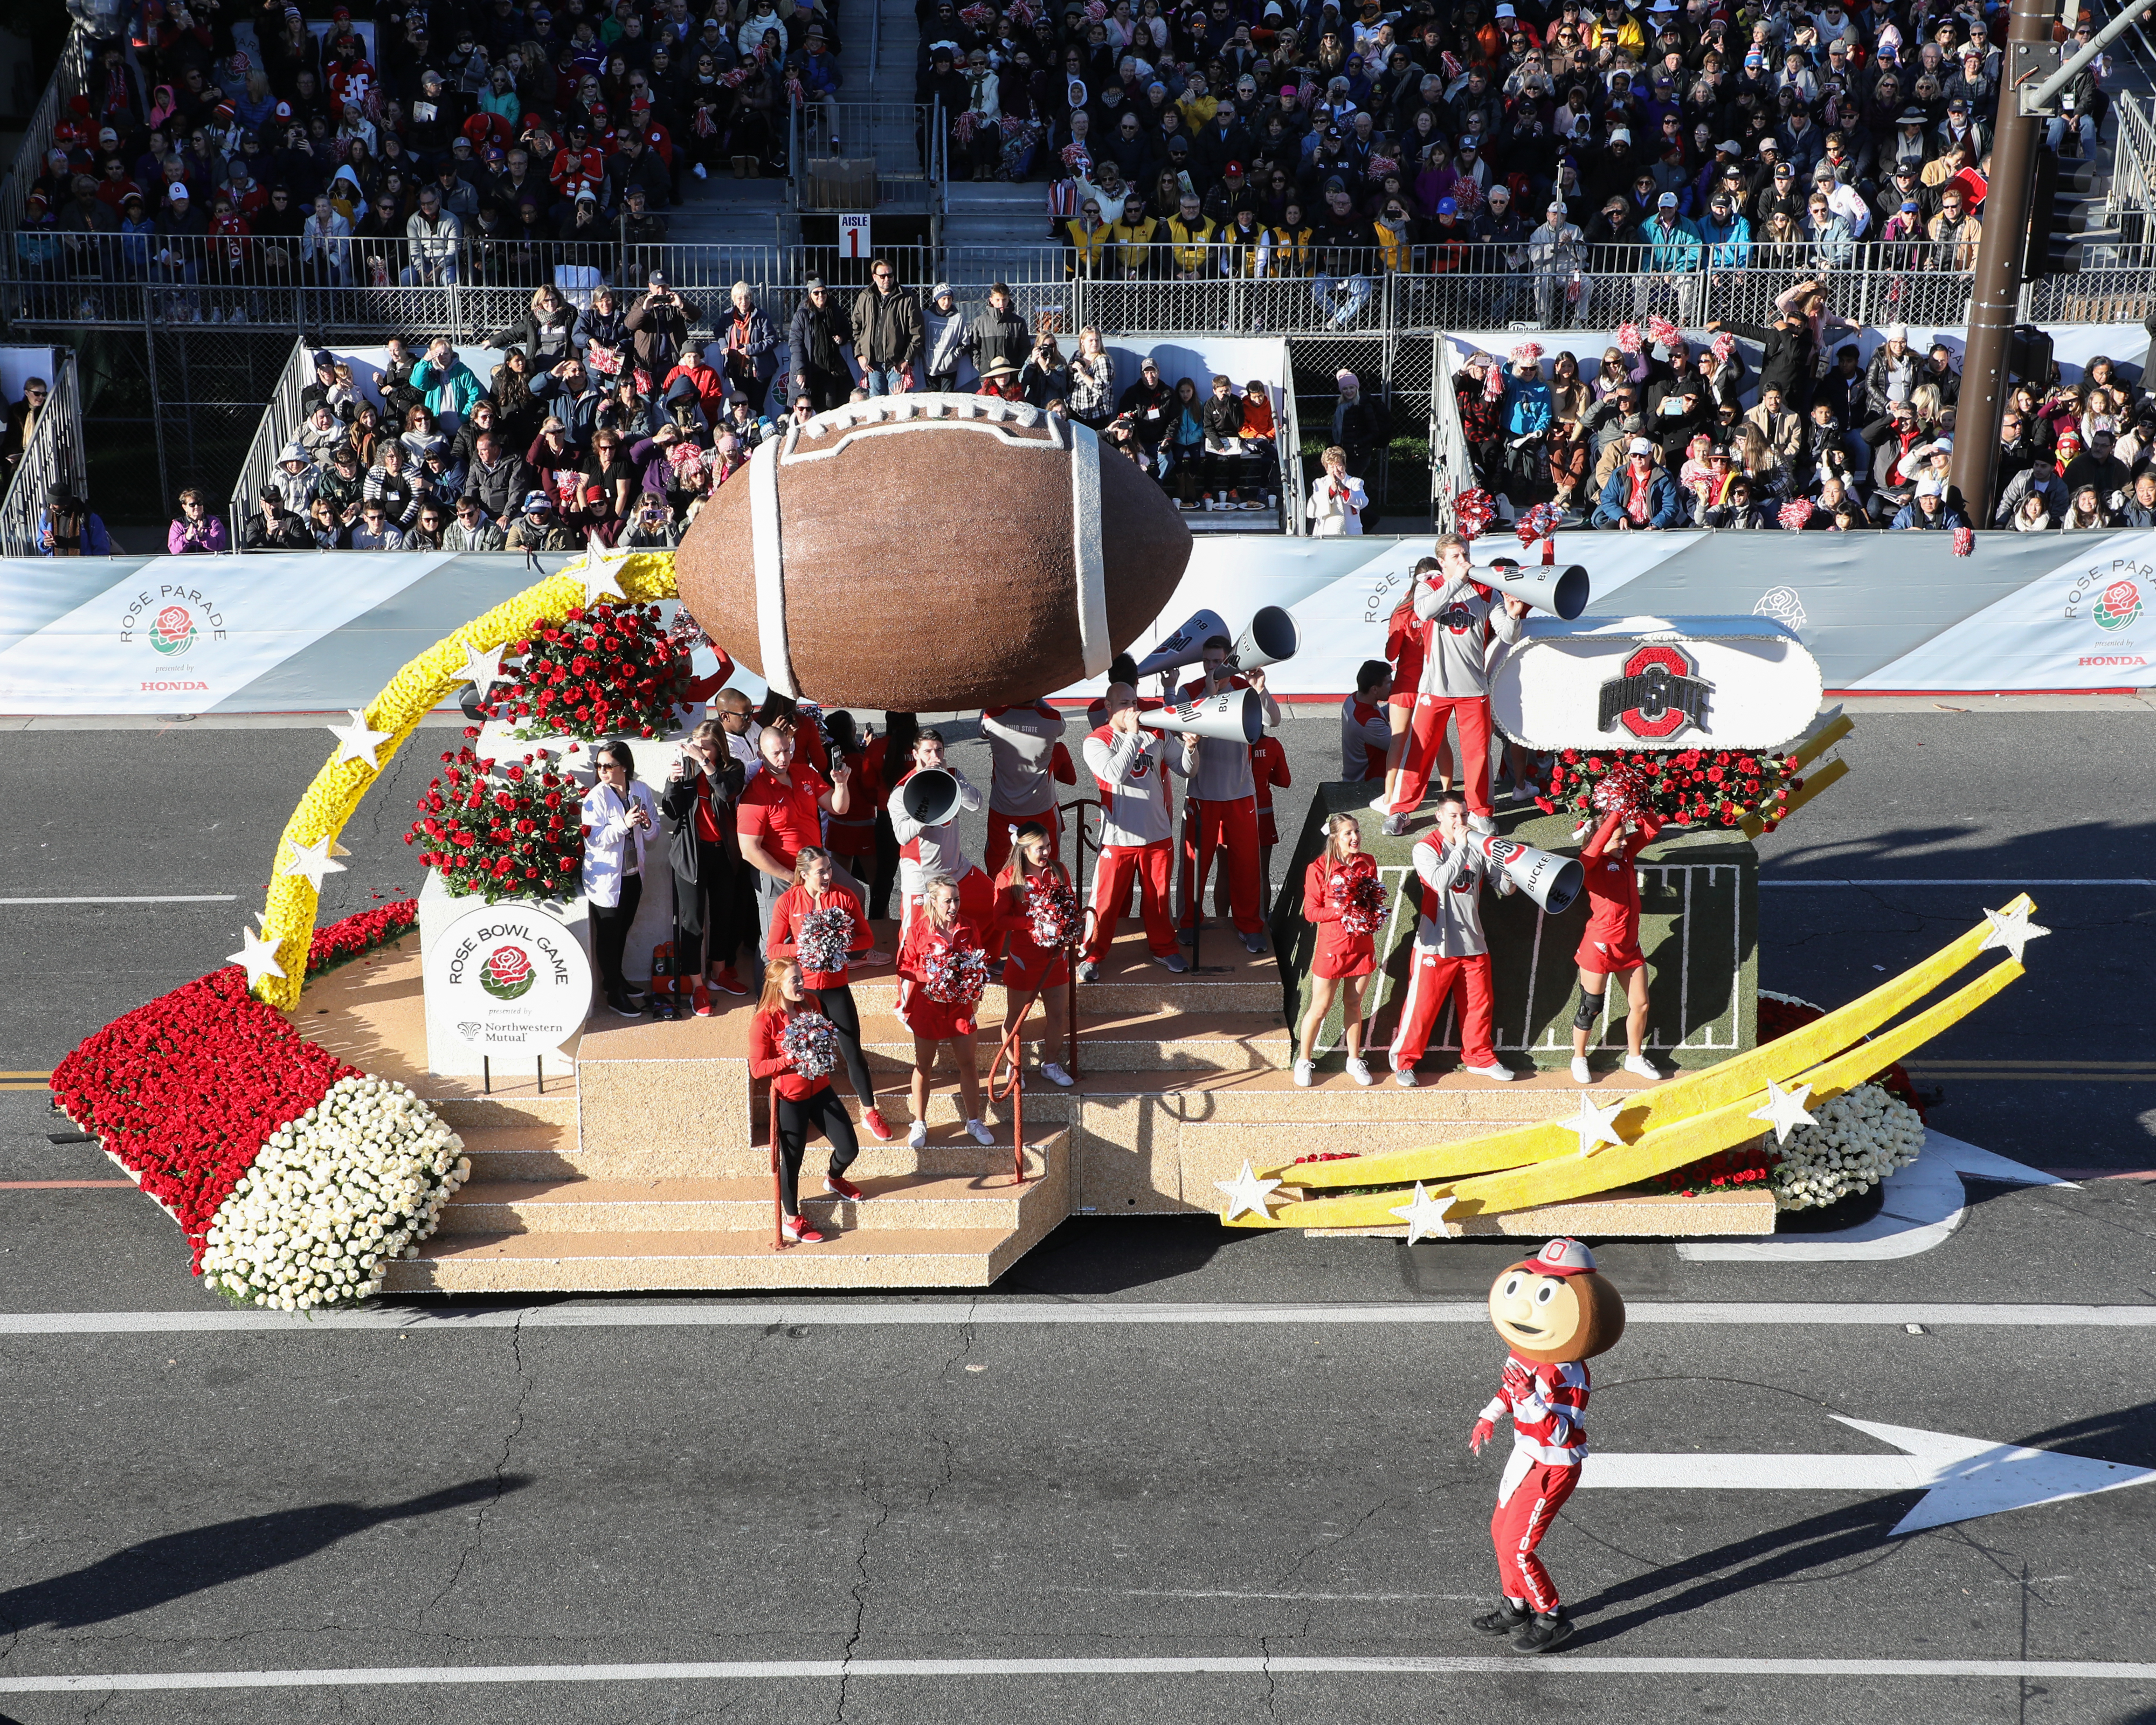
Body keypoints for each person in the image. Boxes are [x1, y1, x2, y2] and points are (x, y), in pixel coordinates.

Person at [1468, 1237, 1627, 1655]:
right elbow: (1510, 1390)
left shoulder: (1569, 1373)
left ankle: (1551, 1616)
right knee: (1500, 1532)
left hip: (1552, 1465)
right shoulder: (1528, 1349)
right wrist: (1490, 1416)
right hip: (1526, 1454)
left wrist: (1529, 1398)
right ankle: (1515, 1607)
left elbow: (1561, 1433)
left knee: (1520, 1547)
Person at [1377, 537, 1529, 833]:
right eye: (1456, 556)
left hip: (1474, 690)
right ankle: (1402, 810)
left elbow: (1508, 636)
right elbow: (1423, 612)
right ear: (1442, 562)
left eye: (1466, 554)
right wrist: (1456, 581)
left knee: (1478, 754)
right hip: (1435, 688)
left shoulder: (1486, 591)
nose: (1463, 559)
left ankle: (1480, 812)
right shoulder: (1429, 587)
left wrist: (1513, 615)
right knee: (1419, 751)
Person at [766, 844, 895, 1142]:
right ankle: (805, 1113)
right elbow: (773, 949)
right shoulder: (788, 901)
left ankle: (870, 1112)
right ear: (805, 874)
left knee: (852, 1052)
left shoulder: (844, 896)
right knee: (804, 1055)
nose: (827, 876)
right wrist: (806, 946)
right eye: (821, 871)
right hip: (804, 991)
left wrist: (836, 942)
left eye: (829, 869)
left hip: (836, 987)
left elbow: (867, 938)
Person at [1391, 792, 1516, 1086]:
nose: (1460, 822)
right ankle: (1404, 1062)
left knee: (1479, 1006)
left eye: (1463, 815)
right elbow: (1440, 882)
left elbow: (1504, 889)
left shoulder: (1477, 848)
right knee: (1422, 1008)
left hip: (1474, 942)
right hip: (1436, 942)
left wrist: (1513, 867)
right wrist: (1461, 847)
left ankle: (1480, 1059)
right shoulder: (1425, 847)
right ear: (1439, 816)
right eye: (1453, 816)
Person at [1079, 672, 1188, 981]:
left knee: (1158, 898)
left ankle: (1164, 948)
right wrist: (1131, 735)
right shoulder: (1096, 740)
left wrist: (1192, 748)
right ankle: (1093, 952)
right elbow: (1114, 773)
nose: (1132, 708)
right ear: (1108, 707)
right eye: (1124, 703)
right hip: (1118, 837)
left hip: (1157, 833)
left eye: (1134, 702)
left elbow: (1185, 768)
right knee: (1106, 901)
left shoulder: (1156, 733)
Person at [748, 956, 865, 1246]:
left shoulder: (811, 1003)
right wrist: (789, 1058)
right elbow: (757, 1068)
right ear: (778, 987)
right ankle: (791, 1219)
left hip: (821, 1089)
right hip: (791, 1099)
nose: (801, 984)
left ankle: (834, 1178)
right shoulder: (764, 1020)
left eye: (801, 978)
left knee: (849, 1148)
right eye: (794, 980)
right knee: (792, 1162)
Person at [1177, 633, 1282, 955]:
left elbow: (1273, 720)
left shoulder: (1243, 689)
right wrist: (1209, 695)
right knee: (1194, 864)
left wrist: (1260, 689)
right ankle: (1189, 923)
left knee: (1247, 866)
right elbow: (1184, 733)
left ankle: (1250, 926)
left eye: (1218, 662)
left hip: (1240, 794)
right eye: (1207, 662)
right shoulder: (1189, 691)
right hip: (1201, 794)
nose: (1212, 668)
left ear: (1228, 662)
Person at [895, 874, 997, 1150]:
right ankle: (920, 1121)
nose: (953, 906)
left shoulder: (969, 926)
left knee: (968, 1064)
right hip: (928, 1007)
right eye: (947, 901)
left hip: (961, 1008)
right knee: (923, 1066)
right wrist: (928, 976)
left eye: (957, 899)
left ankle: (974, 1121)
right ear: (933, 902)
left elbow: (978, 961)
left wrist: (975, 983)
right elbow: (903, 966)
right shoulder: (918, 930)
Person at [736, 714, 855, 949]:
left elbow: (838, 807)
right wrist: (791, 877)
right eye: (776, 754)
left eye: (787, 751)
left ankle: (843, 958)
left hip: (814, 866)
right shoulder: (757, 793)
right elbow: (749, 851)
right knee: (779, 939)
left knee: (853, 895)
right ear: (761, 756)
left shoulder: (804, 774)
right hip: (780, 873)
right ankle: (772, 985)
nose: (783, 758)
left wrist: (841, 784)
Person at [1568, 806, 1663, 1084]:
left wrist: (1637, 804)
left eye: (1624, 837)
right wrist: (1613, 817)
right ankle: (1579, 1058)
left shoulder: (1626, 855)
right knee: (1591, 1007)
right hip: (1599, 948)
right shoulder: (1589, 862)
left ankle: (1634, 1058)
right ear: (1602, 838)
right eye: (1618, 838)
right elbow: (1594, 848)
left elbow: (1652, 829)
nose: (1624, 843)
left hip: (1628, 946)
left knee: (1641, 1004)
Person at [660, 718, 748, 1014]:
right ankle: (698, 986)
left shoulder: (733, 768)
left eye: (705, 747)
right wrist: (673, 783)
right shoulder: (685, 770)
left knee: (724, 916)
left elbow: (727, 794)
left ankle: (719, 974)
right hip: (690, 856)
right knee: (693, 922)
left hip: (723, 853)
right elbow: (671, 812)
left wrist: (707, 766)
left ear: (718, 747)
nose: (699, 752)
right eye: (696, 746)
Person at [1294, 812, 1381, 1089]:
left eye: (1357, 831)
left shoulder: (1368, 863)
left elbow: (1373, 899)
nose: (1355, 837)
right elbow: (1310, 912)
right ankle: (1304, 1061)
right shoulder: (1318, 869)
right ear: (1335, 837)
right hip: (1332, 949)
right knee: (1320, 1007)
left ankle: (1354, 1060)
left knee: (1354, 1004)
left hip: (1362, 945)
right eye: (1348, 833)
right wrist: (1339, 909)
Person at [989, 822, 1076, 1089]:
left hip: (1055, 959)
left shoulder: (1059, 871)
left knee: (1058, 1015)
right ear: (1024, 850)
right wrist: (1033, 922)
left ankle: (1050, 1064)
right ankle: (1014, 1065)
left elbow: (1071, 907)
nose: (1047, 852)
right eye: (1040, 848)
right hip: (1023, 960)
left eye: (1049, 845)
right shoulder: (1009, 878)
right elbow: (999, 920)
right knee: (1016, 1017)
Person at [581, 738, 660, 1017]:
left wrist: (648, 825)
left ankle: (616, 979)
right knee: (609, 935)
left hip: (632, 874)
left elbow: (652, 835)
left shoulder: (640, 790)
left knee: (623, 930)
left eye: (608, 765)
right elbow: (595, 840)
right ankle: (614, 991)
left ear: (624, 767)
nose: (603, 771)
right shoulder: (596, 798)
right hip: (606, 878)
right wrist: (624, 824)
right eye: (599, 766)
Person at [887, 727, 986, 930]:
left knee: (993, 904)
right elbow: (902, 836)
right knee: (913, 936)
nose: (935, 757)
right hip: (923, 878)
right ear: (915, 754)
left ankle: (984, 958)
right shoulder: (901, 791)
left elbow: (976, 803)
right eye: (928, 751)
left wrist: (951, 781)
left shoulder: (953, 775)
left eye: (939, 750)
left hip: (956, 870)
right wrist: (926, 809)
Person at [979, 699, 1076, 875]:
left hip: (1003, 809)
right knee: (1048, 869)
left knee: (999, 870)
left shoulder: (992, 716)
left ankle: (1001, 902)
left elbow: (982, 731)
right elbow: (1060, 726)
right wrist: (1039, 699)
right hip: (1042, 808)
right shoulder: (1052, 720)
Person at [1341, 659, 1393, 783]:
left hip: (1353, 779)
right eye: (1389, 683)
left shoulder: (1352, 700)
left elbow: (1380, 715)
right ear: (1375, 690)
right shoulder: (1369, 723)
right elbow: (1402, 745)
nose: (1394, 685)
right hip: (1367, 786)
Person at [1307, 443, 1366, 535]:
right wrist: (1332, 490)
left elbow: (1363, 502)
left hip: (1351, 533)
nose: (1336, 470)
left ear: (1345, 465)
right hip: (1325, 532)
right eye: (1331, 467)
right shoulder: (1319, 483)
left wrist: (1344, 490)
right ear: (1326, 469)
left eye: (1339, 465)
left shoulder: (1355, 482)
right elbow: (1314, 508)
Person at [39, 486, 112, 556]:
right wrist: (45, 544)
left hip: (83, 565)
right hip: (56, 565)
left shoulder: (89, 518)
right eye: (50, 503)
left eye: (55, 504)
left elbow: (101, 548)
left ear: (66, 503)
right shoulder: (47, 515)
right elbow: (40, 541)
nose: (51, 507)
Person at [168, 487, 225, 553]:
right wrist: (186, 538)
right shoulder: (178, 524)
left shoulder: (213, 522)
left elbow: (219, 546)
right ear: (185, 507)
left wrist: (203, 537)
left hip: (209, 560)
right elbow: (174, 550)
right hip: (185, 561)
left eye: (200, 503)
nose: (197, 507)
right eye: (192, 505)